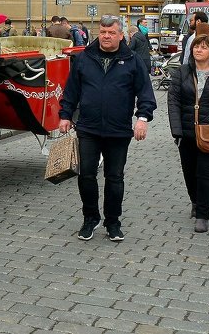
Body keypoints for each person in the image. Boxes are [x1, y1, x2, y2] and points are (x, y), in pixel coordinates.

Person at [58, 14, 156, 243]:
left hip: (118, 130)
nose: (106, 36)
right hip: (89, 128)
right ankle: (90, 218)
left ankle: (113, 222)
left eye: (111, 33)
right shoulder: (85, 58)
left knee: (115, 178)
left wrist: (142, 118)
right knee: (87, 175)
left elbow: (145, 94)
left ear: (121, 35)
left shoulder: (132, 60)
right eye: (103, 32)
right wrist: (65, 115)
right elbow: (71, 91)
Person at [168, 30, 209, 233]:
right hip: (186, 131)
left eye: (203, 47)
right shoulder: (182, 71)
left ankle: (203, 214)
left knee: (206, 173)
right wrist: (176, 130)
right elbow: (173, 101)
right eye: (196, 46)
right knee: (189, 172)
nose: (198, 49)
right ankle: (195, 201)